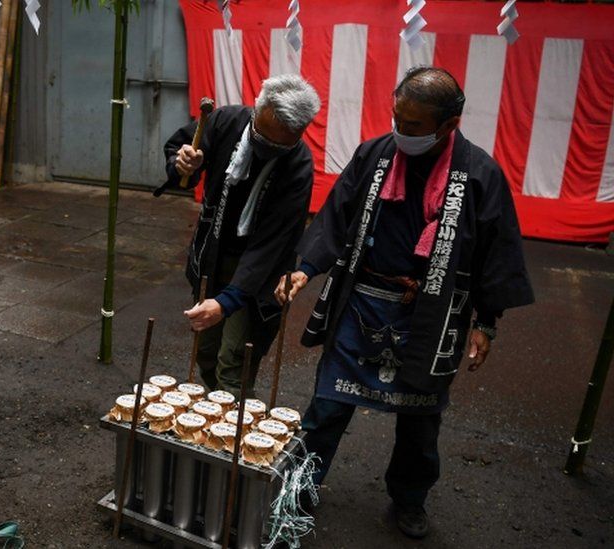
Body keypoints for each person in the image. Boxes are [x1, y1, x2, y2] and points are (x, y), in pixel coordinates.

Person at [275, 66, 534, 538]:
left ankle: (409, 499)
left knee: (420, 421)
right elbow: (337, 214)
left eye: (413, 125)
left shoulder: (480, 174)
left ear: (448, 125)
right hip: (363, 303)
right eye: (396, 117)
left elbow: (496, 252)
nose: (400, 130)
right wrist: (304, 268)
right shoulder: (375, 154)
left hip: (431, 315)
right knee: (328, 406)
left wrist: (486, 323)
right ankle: (299, 488)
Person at [157, 74, 320, 397]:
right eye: (261, 137)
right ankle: (220, 416)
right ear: (256, 112)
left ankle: (233, 427)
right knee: (205, 352)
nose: (265, 149)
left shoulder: (298, 165)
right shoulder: (227, 121)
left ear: (298, 134)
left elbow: (271, 245)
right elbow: (181, 150)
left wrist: (228, 301)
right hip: (213, 253)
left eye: (278, 145)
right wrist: (183, 162)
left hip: (258, 273)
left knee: (234, 363)